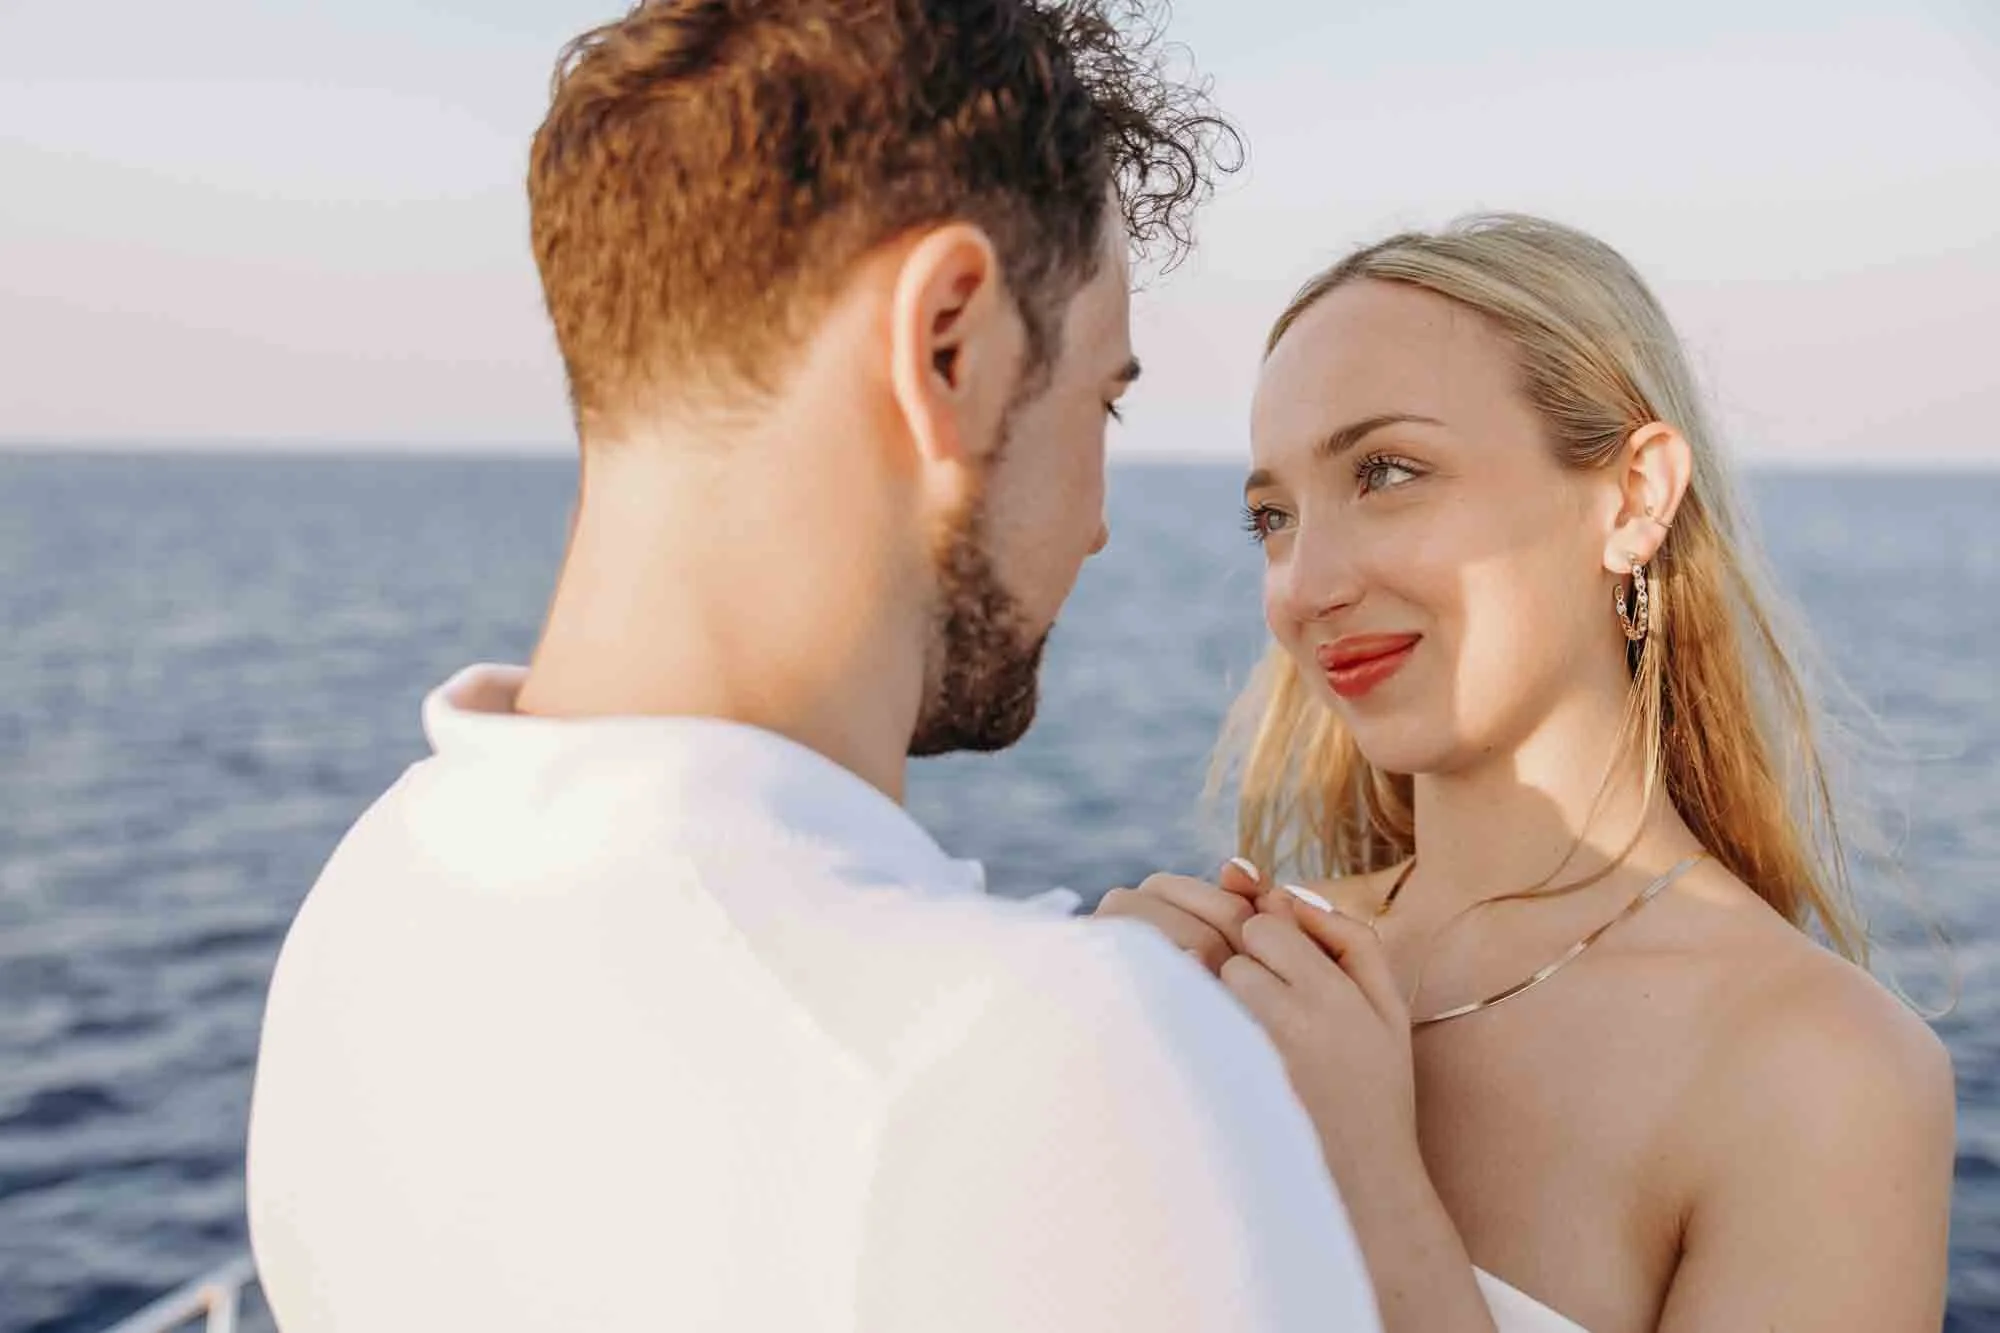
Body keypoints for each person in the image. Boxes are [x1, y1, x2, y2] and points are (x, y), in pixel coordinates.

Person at [245, 3, 1380, 1330]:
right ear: (948, 344)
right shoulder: (1052, 1066)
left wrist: (1037, 992)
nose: (1098, 521)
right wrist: (1122, 1055)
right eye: (1101, 403)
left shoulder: (369, 902)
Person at [1098, 215, 1956, 1332]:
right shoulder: (1244, 972)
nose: (1303, 584)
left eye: (1387, 472)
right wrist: (1077, 1064)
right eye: (1271, 517)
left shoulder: (1823, 1074)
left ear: (1634, 495)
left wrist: (1364, 1182)